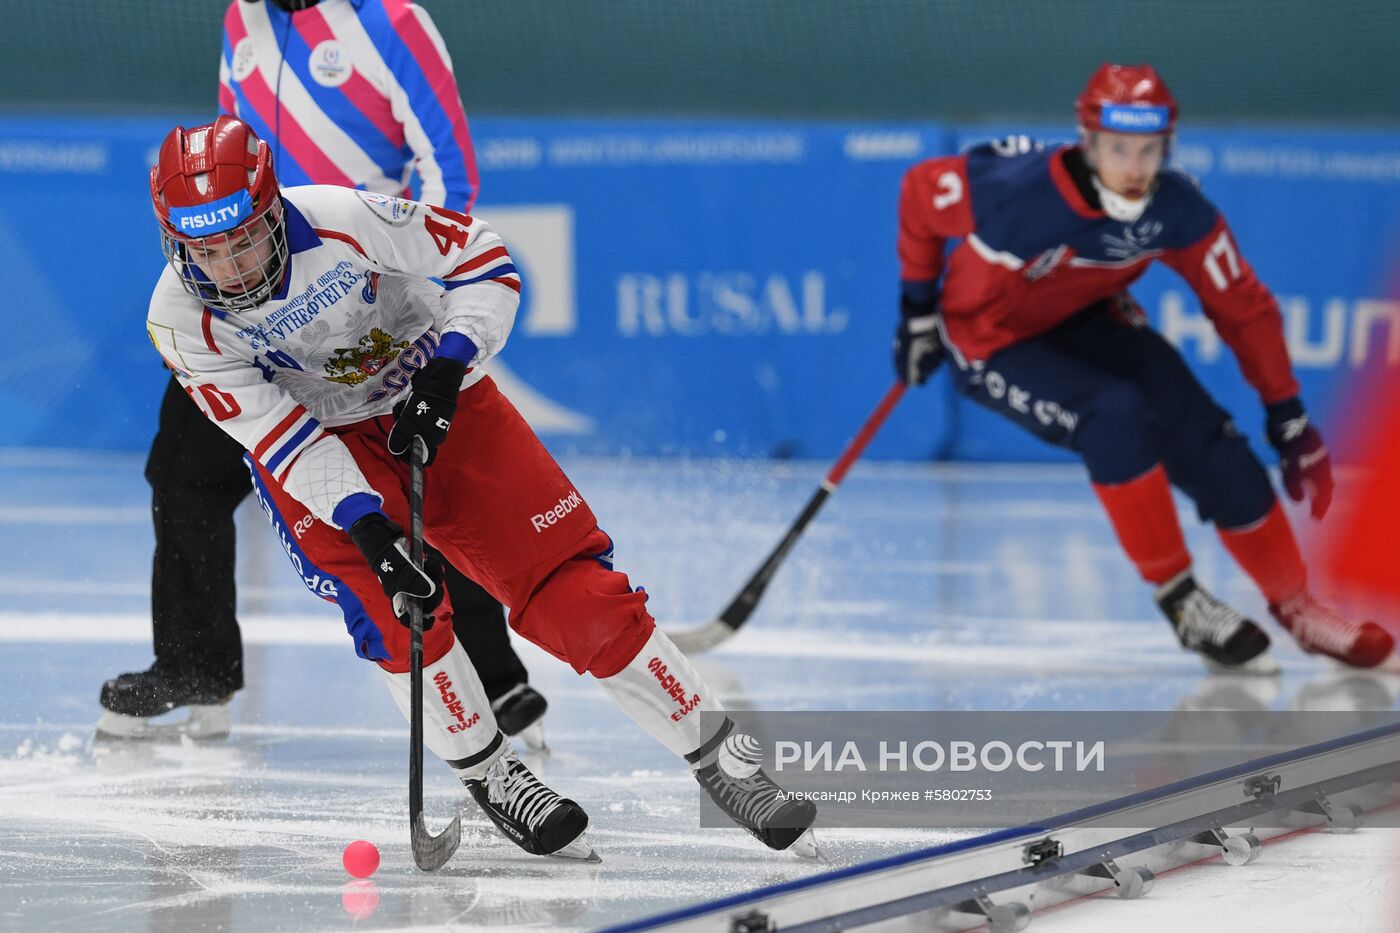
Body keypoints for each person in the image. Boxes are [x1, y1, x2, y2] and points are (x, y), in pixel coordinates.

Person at [141, 115, 819, 859]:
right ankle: (493, 774)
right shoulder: (178, 323)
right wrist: (367, 526)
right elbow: (281, 437)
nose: (231, 270)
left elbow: (483, 256)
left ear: (273, 212)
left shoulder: (342, 217)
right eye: (205, 252)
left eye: (242, 241)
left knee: (572, 590)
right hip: (319, 449)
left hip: (439, 401)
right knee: (400, 616)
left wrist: (447, 367)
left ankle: (721, 757)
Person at [99, 0, 546, 743]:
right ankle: (196, 666)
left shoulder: (392, 23)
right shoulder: (242, 21)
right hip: (247, 304)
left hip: (363, 300)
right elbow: (229, 158)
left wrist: (417, 292)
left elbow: (449, 169)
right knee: (183, 473)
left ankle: (495, 681)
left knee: (423, 481)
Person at [893, 63, 1396, 672]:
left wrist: (1288, 416)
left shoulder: (1177, 210)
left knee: (1210, 440)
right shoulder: (1013, 188)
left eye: (1150, 150)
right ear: (1087, 142)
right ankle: (1181, 600)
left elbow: (1243, 307)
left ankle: (1301, 608)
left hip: (1088, 318)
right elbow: (918, 193)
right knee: (1115, 415)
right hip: (991, 340)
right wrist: (917, 314)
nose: (1135, 169)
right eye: (1118, 149)